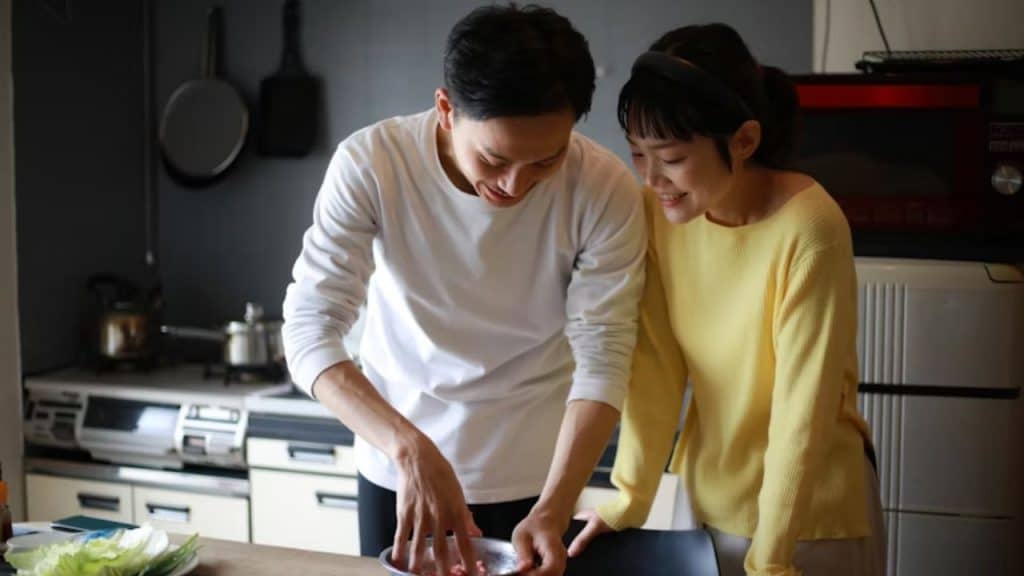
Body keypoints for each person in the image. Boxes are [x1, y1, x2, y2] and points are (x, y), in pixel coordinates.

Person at [281, 4, 646, 575]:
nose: (515, 185)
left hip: (538, 481)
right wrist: (407, 447)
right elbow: (308, 329)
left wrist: (554, 506)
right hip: (400, 474)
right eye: (495, 158)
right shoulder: (373, 164)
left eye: (545, 160)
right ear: (447, 111)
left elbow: (604, 356)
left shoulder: (603, 189)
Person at [567, 23, 885, 576]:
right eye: (638, 155)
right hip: (706, 505)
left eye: (669, 157)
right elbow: (656, 367)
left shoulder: (810, 227)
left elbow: (801, 407)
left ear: (744, 141)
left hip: (809, 521)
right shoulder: (658, 215)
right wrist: (628, 498)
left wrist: (774, 552)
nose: (652, 178)